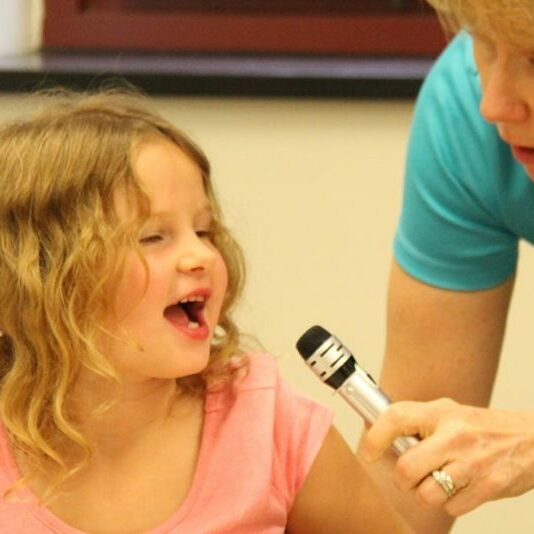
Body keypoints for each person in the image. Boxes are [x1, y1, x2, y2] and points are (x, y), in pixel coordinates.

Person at [0, 90, 411, 533]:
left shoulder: (268, 423)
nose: (200, 256)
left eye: (203, 229)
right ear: (37, 278)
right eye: (153, 237)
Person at [356, 1, 534, 533]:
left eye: (533, 58)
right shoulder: (464, 107)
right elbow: (408, 485)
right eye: (483, 44)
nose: (495, 104)